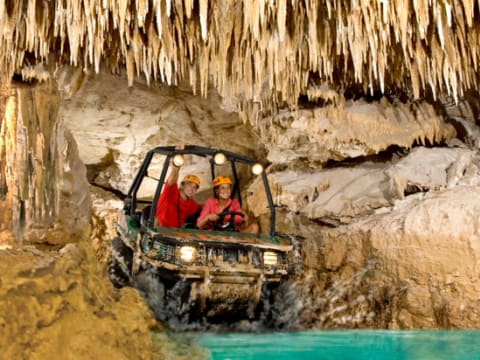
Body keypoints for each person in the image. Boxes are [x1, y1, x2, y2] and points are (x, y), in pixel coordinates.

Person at [155, 161, 201, 228]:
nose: (192, 189)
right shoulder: (171, 193)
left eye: (195, 187)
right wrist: (176, 166)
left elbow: (204, 208)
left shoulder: (192, 205)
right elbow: (173, 178)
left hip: (175, 234)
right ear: (182, 185)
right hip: (159, 230)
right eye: (189, 185)